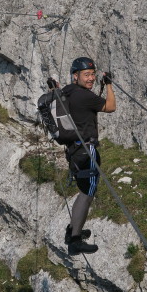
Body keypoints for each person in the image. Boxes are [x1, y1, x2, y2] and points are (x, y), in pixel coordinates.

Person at [62, 56, 115, 254]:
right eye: (86, 75)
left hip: (74, 151)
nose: (91, 78)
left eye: (92, 74)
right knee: (88, 194)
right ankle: (75, 240)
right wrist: (109, 85)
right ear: (76, 76)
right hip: (87, 151)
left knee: (83, 190)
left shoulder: (68, 91)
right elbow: (110, 107)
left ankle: (72, 231)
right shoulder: (84, 96)